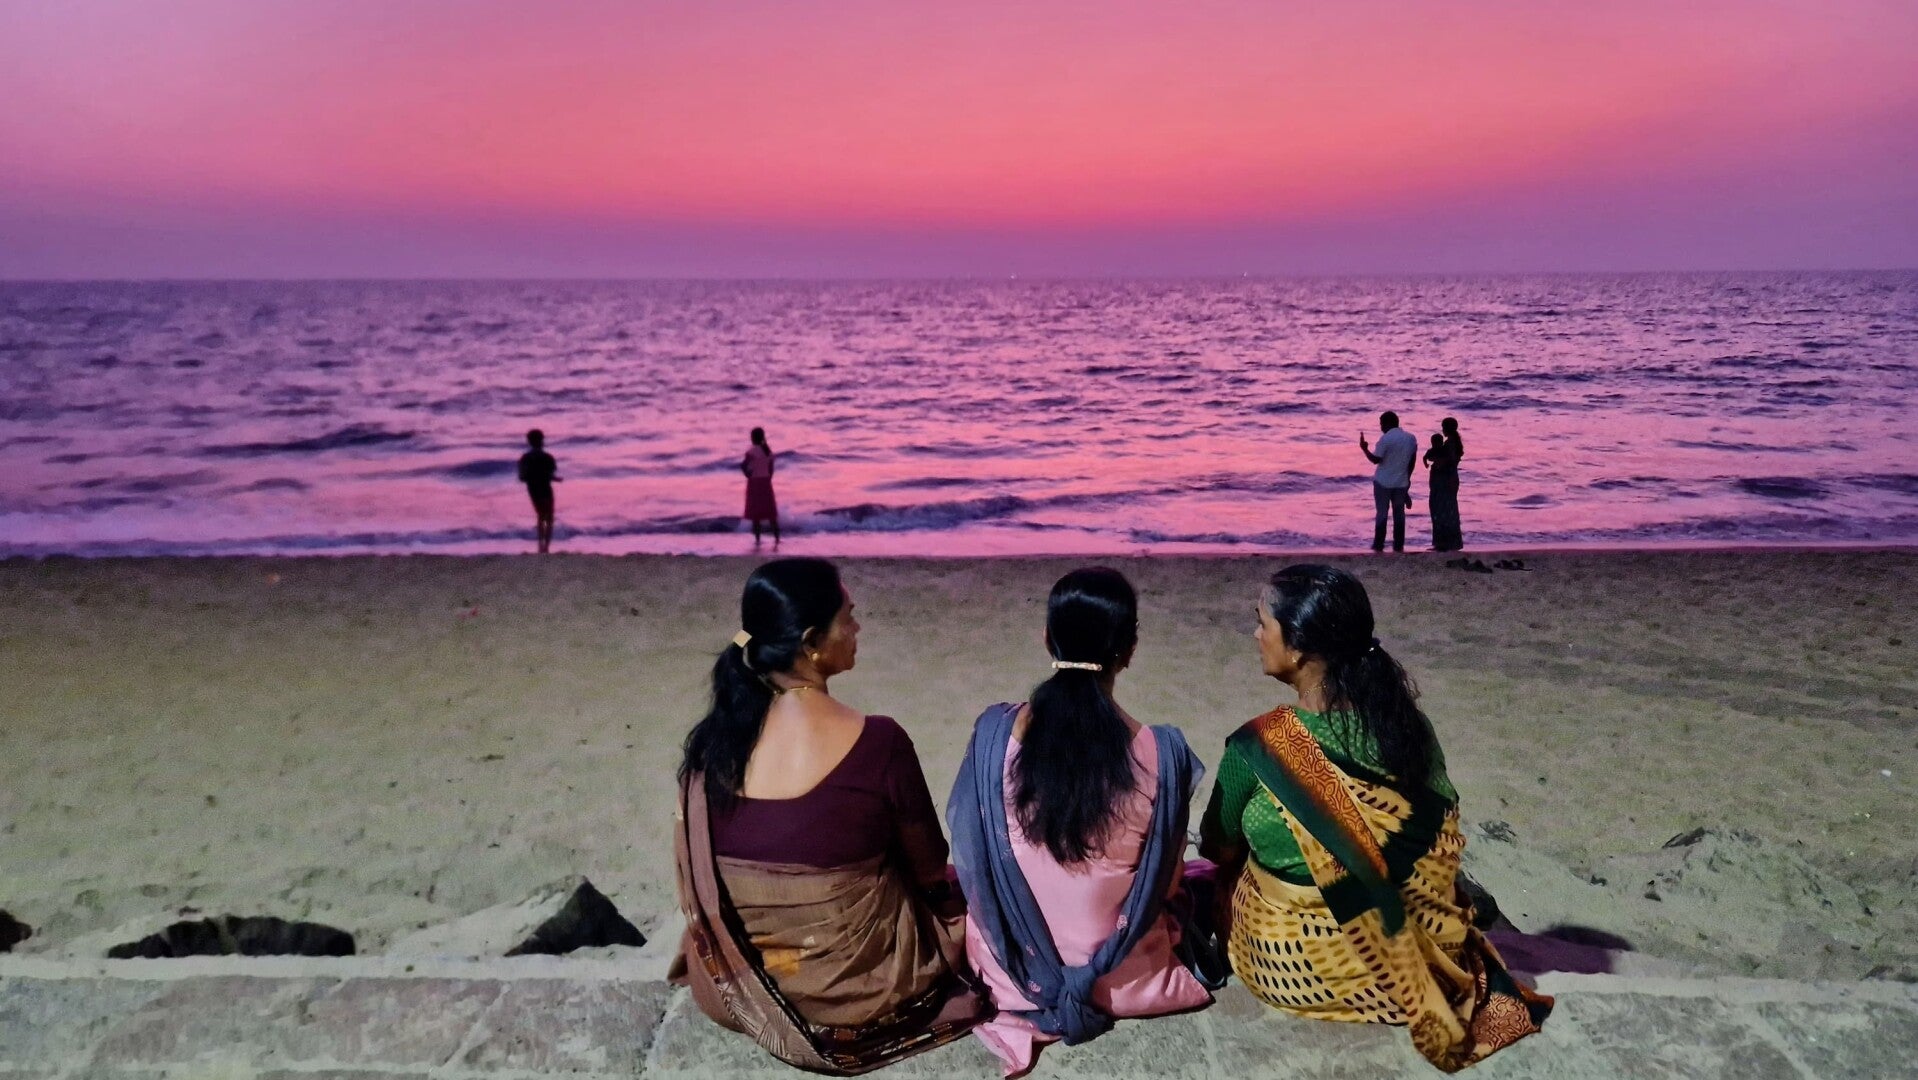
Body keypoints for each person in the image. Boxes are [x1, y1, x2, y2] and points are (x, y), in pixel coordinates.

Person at [1198, 565, 1551, 1071]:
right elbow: (1439, 835)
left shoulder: (1259, 746)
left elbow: (1218, 848)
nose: (1256, 635)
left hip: (1295, 968)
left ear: (1296, 647)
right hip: (1416, 966)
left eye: (1262, 623)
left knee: (1216, 876)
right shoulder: (1410, 730)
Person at [671, 558, 987, 1073]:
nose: (858, 629)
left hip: (747, 979)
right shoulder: (879, 741)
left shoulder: (710, 750)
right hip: (858, 990)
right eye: (850, 617)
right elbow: (930, 868)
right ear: (814, 641)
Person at [949, 568, 1220, 1076]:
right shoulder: (1162, 752)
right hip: (1123, 974)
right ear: (1129, 649)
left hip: (1011, 972)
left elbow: (972, 854)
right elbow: (1166, 883)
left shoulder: (993, 734)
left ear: (1047, 639)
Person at [1359, 412, 1417, 553]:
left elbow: (1376, 460)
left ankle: (1379, 544)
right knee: (1399, 514)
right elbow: (1412, 461)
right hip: (1401, 482)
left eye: (1381, 424)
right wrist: (1407, 479)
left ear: (1387, 423)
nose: (1381, 427)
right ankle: (1399, 545)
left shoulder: (1386, 439)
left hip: (1383, 482)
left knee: (1382, 514)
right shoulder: (1410, 438)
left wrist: (1364, 448)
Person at [1424, 418, 1465, 552]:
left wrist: (1436, 460)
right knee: (1448, 510)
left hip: (1445, 481)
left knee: (1441, 510)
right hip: (1449, 479)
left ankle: (1443, 543)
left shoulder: (1450, 443)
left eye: (1443, 426)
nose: (1442, 429)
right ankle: (1449, 542)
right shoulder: (1453, 442)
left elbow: (1449, 460)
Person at [517, 429, 560, 554]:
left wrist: (533, 476)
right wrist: (554, 478)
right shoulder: (547, 457)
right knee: (549, 517)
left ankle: (541, 544)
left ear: (529, 442)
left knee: (541, 516)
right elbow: (551, 474)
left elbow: (522, 478)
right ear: (542, 441)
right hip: (545, 488)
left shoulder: (525, 458)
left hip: (533, 489)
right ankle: (546, 545)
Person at [742, 428, 780, 547]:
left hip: (754, 482)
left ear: (753, 438)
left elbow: (743, 465)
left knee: (756, 514)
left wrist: (748, 475)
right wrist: (768, 478)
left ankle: (758, 540)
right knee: (770, 513)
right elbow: (771, 470)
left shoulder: (751, 452)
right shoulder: (768, 451)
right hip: (766, 483)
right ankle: (777, 538)